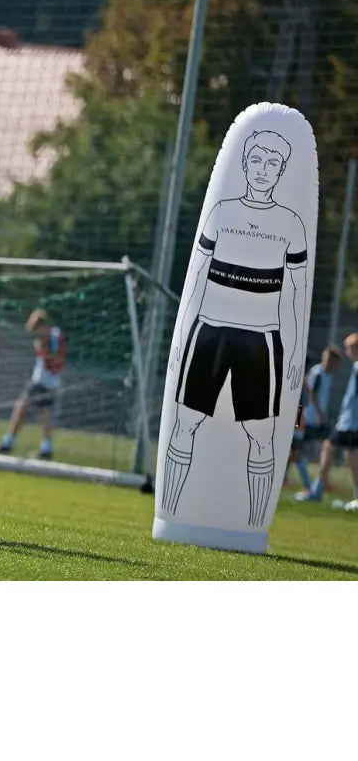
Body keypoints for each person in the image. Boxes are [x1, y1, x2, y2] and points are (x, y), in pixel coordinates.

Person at [159, 129, 307, 528]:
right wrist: (182, 335)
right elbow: (196, 275)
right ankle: (170, 516)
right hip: (209, 333)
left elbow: (296, 292)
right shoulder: (221, 212)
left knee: (261, 434)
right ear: (244, 163)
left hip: (260, 340)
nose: (262, 170)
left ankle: (253, 526)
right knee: (185, 422)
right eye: (256, 161)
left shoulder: (291, 223)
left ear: (281, 172)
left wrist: (293, 351)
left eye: (272, 164)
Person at [0, 308, 66, 458]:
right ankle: (13, 443)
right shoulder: (45, 338)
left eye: (38, 330)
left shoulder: (54, 338)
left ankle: (42, 448)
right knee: (23, 409)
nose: (37, 335)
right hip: (39, 380)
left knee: (40, 412)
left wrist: (44, 352)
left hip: (47, 381)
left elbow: (58, 360)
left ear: (43, 326)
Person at [296, 332, 358, 509]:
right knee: (330, 449)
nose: (347, 351)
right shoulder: (318, 373)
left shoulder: (354, 367)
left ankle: (315, 490)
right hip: (303, 418)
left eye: (349, 347)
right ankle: (314, 488)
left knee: (330, 449)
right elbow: (309, 393)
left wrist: (321, 415)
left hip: (346, 422)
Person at [286, 345, 340, 493]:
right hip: (304, 417)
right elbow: (310, 397)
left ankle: (309, 483)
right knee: (296, 450)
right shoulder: (316, 374)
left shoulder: (322, 376)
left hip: (305, 417)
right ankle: (310, 485)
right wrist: (318, 415)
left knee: (295, 450)